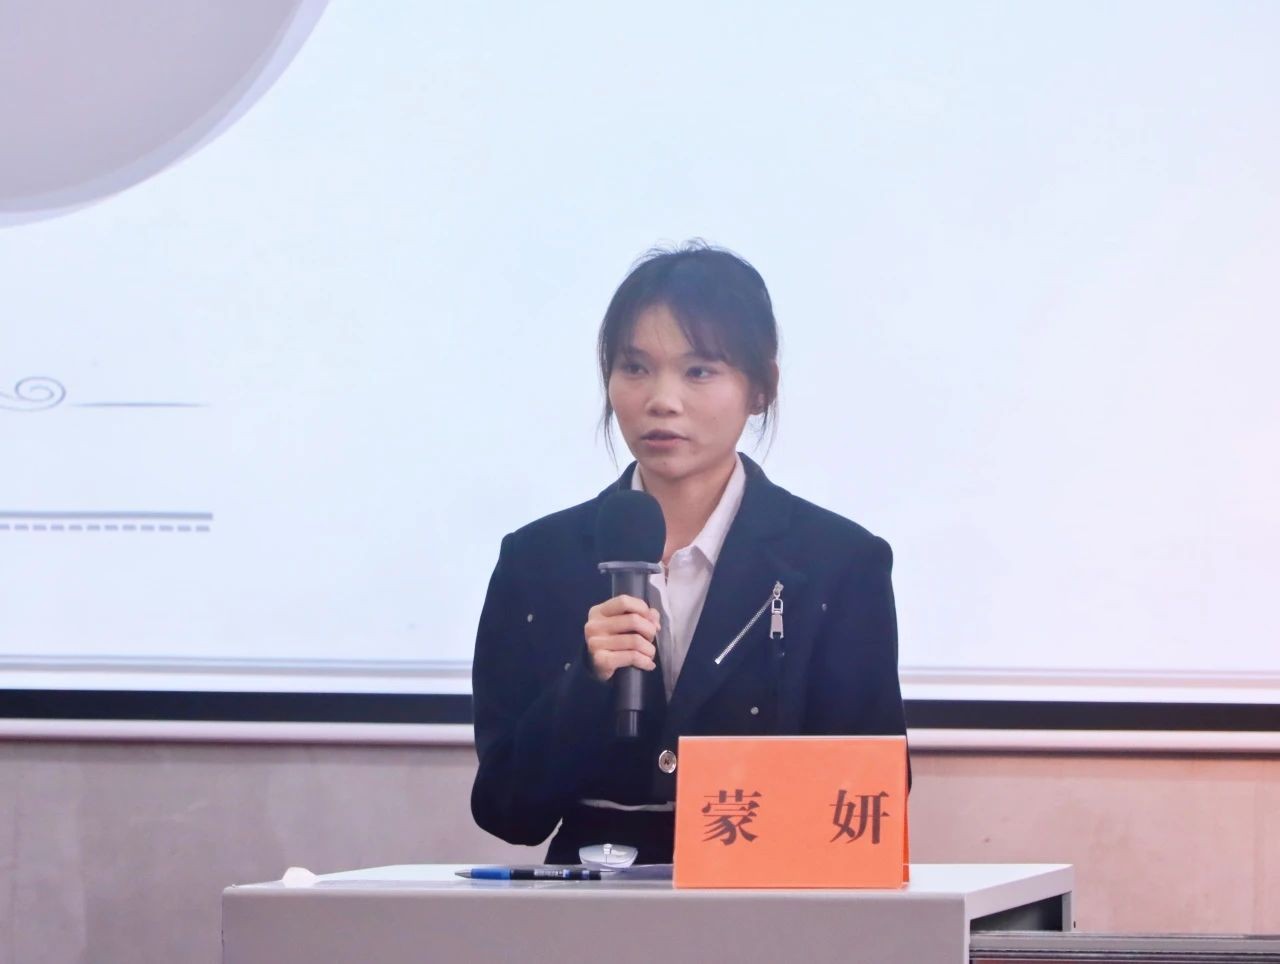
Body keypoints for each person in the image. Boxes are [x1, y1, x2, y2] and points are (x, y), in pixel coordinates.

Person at [470, 241, 906, 864]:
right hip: (590, 906)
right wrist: (587, 682)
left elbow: (868, 797)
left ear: (761, 388)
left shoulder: (837, 563)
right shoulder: (537, 559)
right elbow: (507, 811)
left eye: (699, 371)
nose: (662, 400)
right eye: (635, 367)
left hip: (764, 895)